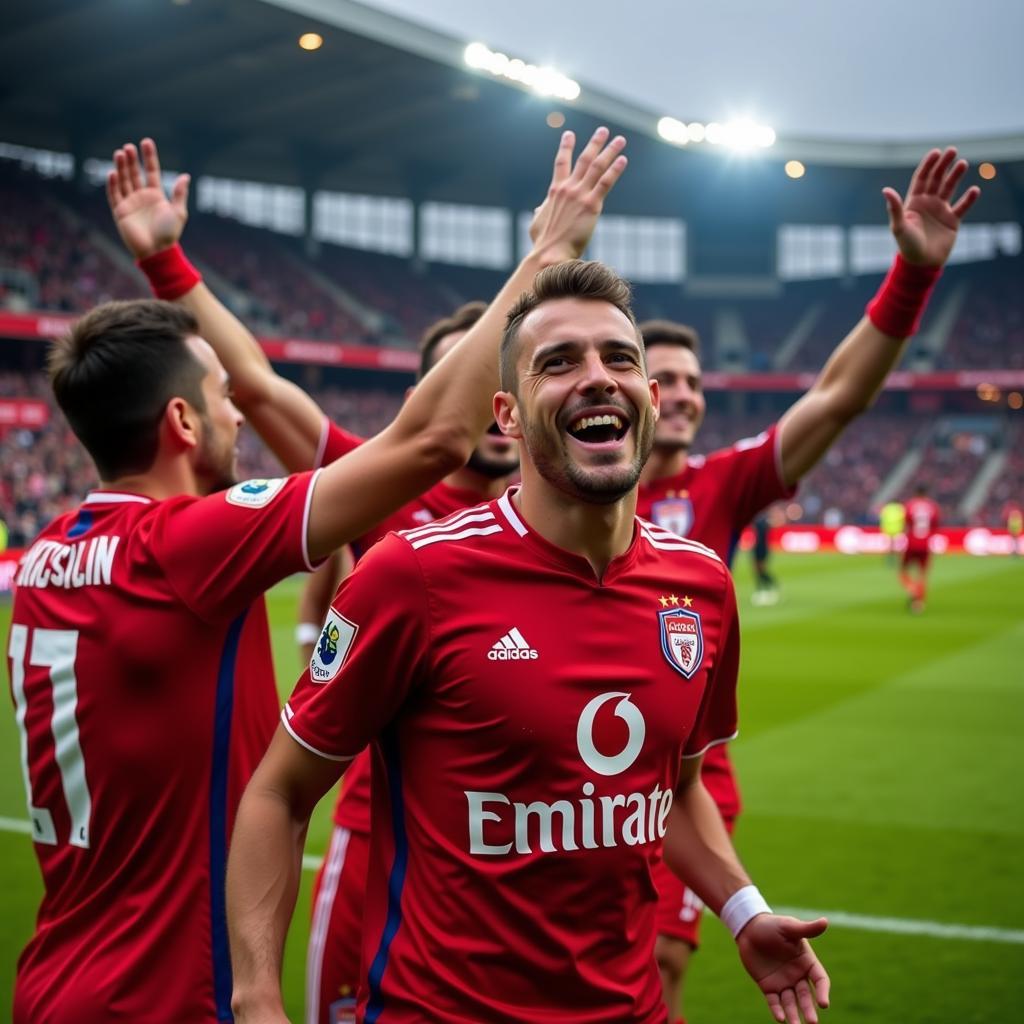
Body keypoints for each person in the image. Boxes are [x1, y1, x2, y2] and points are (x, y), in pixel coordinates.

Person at [8, 127, 626, 1024]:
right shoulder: (181, 545)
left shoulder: (51, 555)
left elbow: (260, 385)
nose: (238, 415)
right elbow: (426, 439)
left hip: (58, 973)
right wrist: (547, 254)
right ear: (182, 422)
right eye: (219, 401)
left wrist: (167, 264)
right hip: (164, 989)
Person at [227, 259, 831, 1024]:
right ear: (506, 415)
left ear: (649, 397)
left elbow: (675, 789)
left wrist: (743, 911)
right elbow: (278, 793)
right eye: (559, 362)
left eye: (619, 358)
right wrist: (256, 1003)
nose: (598, 377)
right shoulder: (415, 575)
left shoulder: (702, 585)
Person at [634, 146, 979, 1023]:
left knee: (663, 970)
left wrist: (910, 275)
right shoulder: (574, 490)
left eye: (693, 383)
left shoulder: (722, 484)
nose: (680, 395)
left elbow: (835, 399)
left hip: (687, 776)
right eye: (662, 378)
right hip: (575, 768)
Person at [302, 301, 520, 1024]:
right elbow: (265, 393)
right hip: (379, 837)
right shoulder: (382, 495)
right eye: (464, 378)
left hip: (520, 857)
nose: (488, 402)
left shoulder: (575, 530)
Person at [900, 483, 940, 612]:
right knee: (922, 575)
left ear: (915, 493)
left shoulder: (909, 505)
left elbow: (905, 524)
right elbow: (935, 525)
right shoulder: (933, 507)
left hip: (911, 542)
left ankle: (913, 591)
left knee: (903, 572)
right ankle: (919, 603)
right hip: (926, 544)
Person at [750, 512, 780, 606]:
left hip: (762, 548)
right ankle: (762, 589)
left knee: (761, 570)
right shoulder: (762, 522)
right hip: (758, 548)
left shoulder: (762, 522)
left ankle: (771, 585)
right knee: (757, 570)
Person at [879, 500, 906, 565]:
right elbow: (904, 518)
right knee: (899, 545)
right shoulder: (900, 508)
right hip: (898, 528)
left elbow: (882, 518)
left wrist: (883, 527)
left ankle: (890, 559)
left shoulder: (886, 508)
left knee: (891, 545)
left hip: (888, 529)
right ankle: (899, 559)